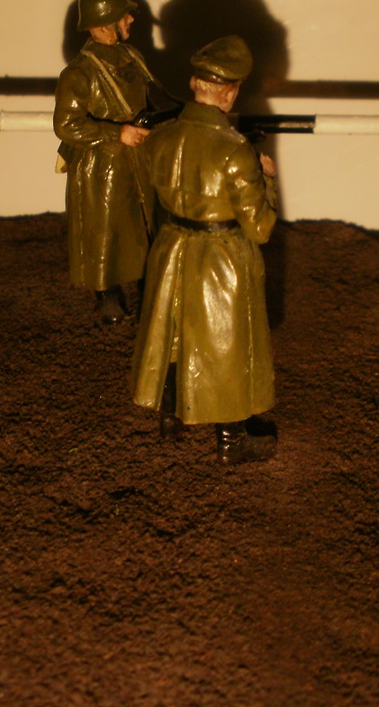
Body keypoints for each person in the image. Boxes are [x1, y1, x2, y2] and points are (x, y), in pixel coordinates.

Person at [130, 35, 279, 464]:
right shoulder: (236, 151)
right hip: (220, 256)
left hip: (172, 246)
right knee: (227, 346)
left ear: (196, 84)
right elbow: (261, 227)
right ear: (229, 91)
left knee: (172, 333)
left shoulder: (161, 138)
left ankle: (170, 415)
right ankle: (232, 439)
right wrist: (267, 179)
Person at [54, 0, 157, 325]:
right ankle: (106, 293)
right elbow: (66, 125)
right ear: (102, 25)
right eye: (123, 16)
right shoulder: (79, 73)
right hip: (100, 167)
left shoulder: (133, 58)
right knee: (104, 233)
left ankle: (149, 287)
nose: (130, 20)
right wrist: (117, 134)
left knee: (144, 224)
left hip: (137, 160)